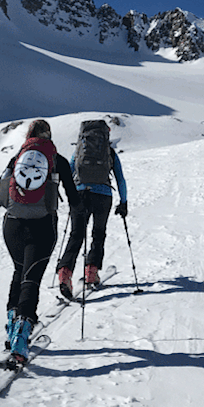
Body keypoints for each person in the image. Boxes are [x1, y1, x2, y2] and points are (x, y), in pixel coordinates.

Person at [0, 119, 80, 365]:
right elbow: (74, 198)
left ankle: (11, 327)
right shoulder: (56, 160)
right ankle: (20, 341)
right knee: (32, 279)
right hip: (43, 227)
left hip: (12, 226)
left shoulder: (17, 158)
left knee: (19, 271)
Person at [55, 119, 128, 300]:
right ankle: (91, 272)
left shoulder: (79, 151)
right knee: (98, 233)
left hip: (80, 194)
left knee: (76, 234)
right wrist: (124, 202)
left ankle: (65, 272)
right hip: (103, 195)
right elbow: (120, 179)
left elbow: (70, 170)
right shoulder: (109, 152)